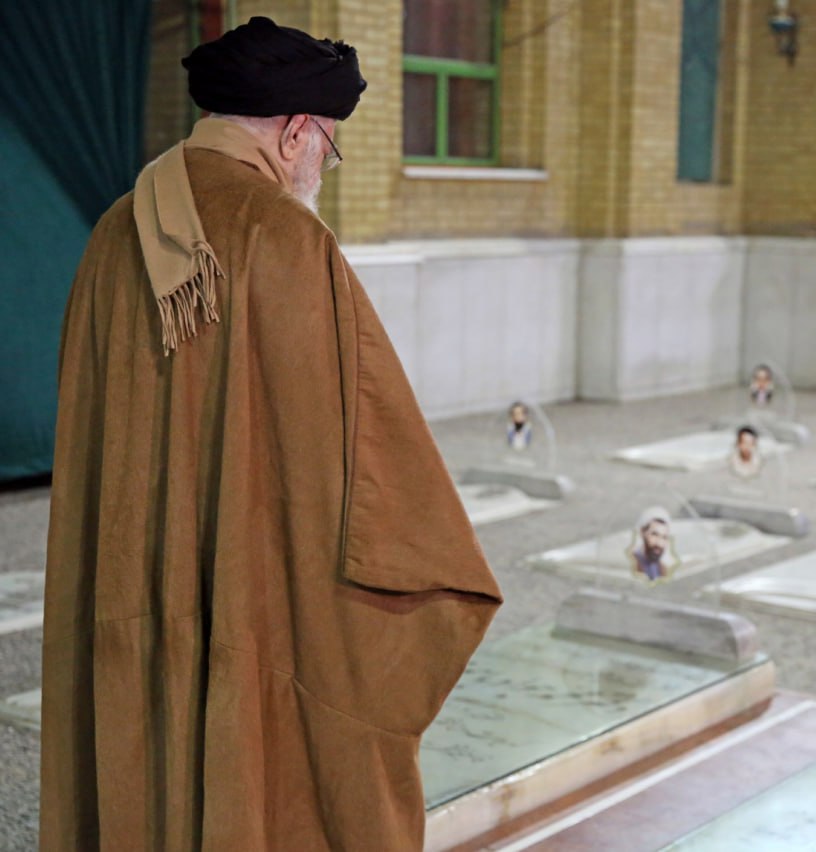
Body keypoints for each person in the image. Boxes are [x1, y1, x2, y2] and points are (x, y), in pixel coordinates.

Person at [41, 17, 502, 851]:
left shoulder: (113, 229)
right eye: (328, 148)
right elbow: (357, 464)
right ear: (296, 133)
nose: (321, 167)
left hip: (128, 585)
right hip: (245, 603)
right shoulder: (284, 237)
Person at [631, 507, 676, 581]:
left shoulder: (662, 568)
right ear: (642, 532)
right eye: (654, 534)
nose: (659, 543)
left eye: (664, 537)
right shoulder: (631, 563)